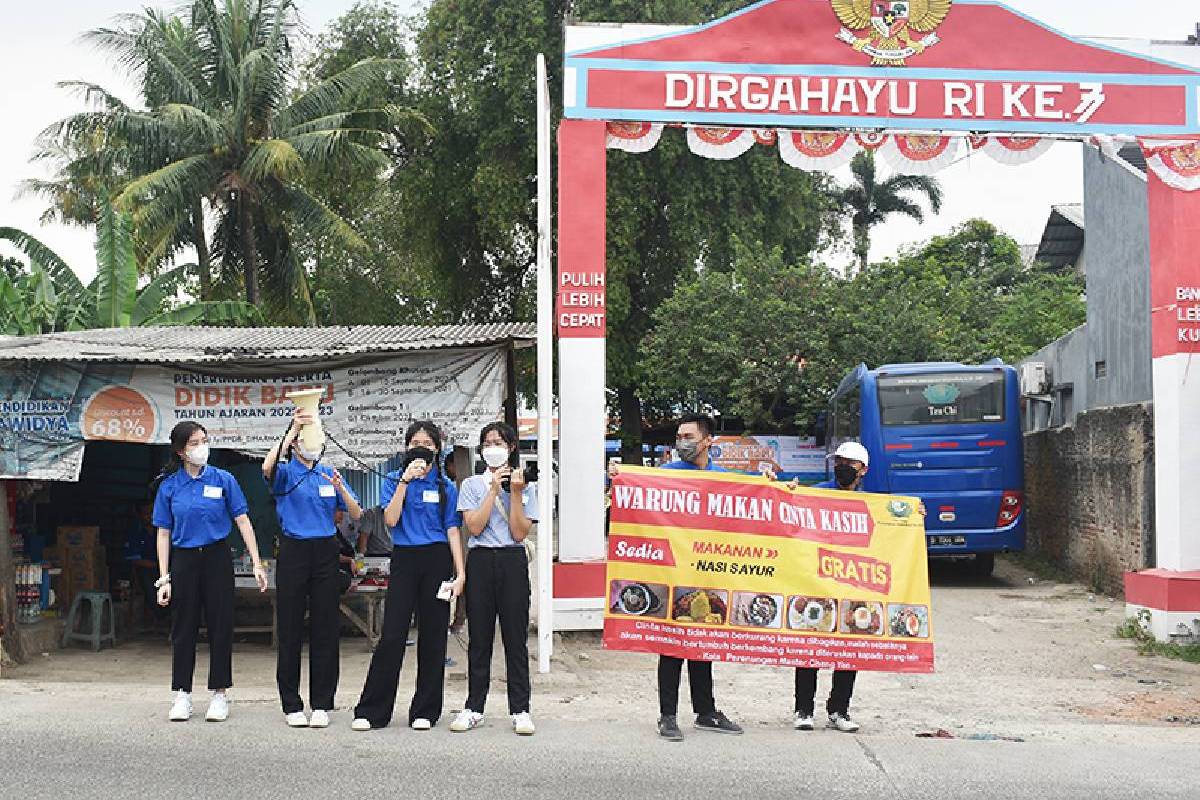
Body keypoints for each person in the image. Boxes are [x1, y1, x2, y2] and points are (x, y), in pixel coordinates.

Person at [609, 413, 743, 742]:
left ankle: (706, 711)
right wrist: (621, 477)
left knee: (703, 646)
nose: (682, 442)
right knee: (671, 647)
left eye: (688, 436)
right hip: (671, 574)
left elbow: (755, 504)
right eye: (679, 437)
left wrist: (770, 483)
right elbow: (637, 499)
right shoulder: (666, 475)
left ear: (708, 440)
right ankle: (667, 715)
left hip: (709, 576)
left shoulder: (725, 480)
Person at [351, 421, 466, 731]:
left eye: (427, 444)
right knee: (393, 634)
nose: (421, 448)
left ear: (437, 449)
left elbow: (452, 529)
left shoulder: (445, 486)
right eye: (415, 442)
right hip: (404, 557)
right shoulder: (392, 480)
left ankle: (425, 711)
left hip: (437, 559)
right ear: (406, 448)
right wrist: (404, 480)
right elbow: (390, 519)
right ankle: (372, 710)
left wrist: (461, 572)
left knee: (433, 635)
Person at [152, 421, 268, 723]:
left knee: (220, 624)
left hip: (217, 557)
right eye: (194, 443)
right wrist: (164, 578)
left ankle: (219, 694)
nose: (202, 447)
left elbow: (243, 520)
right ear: (180, 451)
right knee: (183, 626)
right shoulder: (169, 486)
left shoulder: (223, 479)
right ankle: (182, 694)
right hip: (184, 559)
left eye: (204, 440)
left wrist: (257, 562)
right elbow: (163, 533)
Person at [263, 407, 363, 729]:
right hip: (293, 550)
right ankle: (291, 703)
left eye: (315, 439)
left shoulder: (328, 472)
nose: (312, 444)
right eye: (306, 439)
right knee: (290, 626)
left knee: (325, 626)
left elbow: (356, 513)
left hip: (325, 550)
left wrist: (341, 487)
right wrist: (293, 429)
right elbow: (267, 467)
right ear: (295, 444)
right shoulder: (286, 472)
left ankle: (322, 702)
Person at [448, 422, 538, 736]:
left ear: (512, 446)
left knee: (515, 638)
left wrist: (514, 492)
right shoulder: (472, 484)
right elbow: (473, 526)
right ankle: (474, 707)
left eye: (498, 441)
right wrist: (492, 491)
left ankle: (521, 709)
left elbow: (519, 532)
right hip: (482, 560)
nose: (492, 447)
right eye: (487, 442)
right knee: (480, 638)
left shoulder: (526, 485)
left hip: (512, 560)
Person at [794, 441, 870, 734]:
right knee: (809, 645)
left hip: (853, 584)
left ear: (863, 469)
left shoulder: (873, 503)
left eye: (848, 462)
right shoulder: (817, 494)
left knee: (849, 648)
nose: (842, 467)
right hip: (817, 581)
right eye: (838, 461)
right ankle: (803, 709)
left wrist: (914, 516)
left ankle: (839, 709)